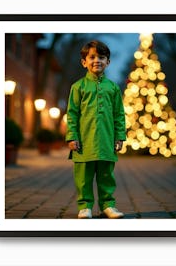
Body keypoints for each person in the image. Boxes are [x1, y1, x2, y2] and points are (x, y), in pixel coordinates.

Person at [65, 40, 126, 219]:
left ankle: (108, 205)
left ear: (108, 62)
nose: (96, 60)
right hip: (84, 142)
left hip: (107, 141)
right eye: (92, 57)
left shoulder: (113, 88)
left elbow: (119, 115)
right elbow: (72, 114)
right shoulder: (78, 87)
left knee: (106, 175)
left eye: (101, 57)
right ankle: (85, 206)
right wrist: (71, 136)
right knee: (83, 177)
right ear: (84, 62)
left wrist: (119, 136)